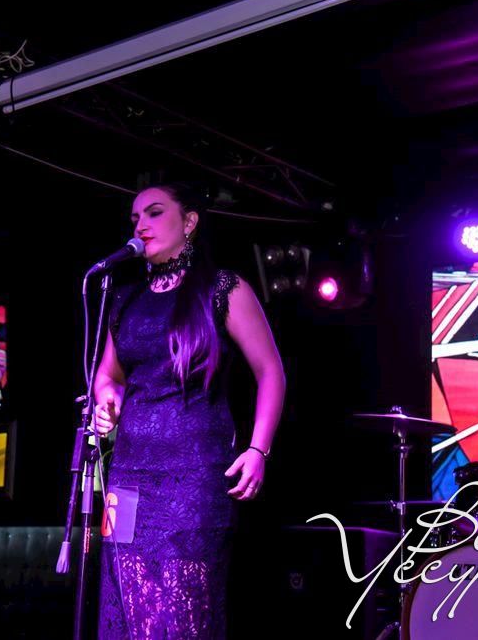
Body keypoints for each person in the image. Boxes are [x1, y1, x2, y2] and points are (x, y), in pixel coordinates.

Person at [92, 182, 286, 639]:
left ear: (189, 222)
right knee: (122, 605)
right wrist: (107, 399)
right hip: (127, 477)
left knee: (180, 613)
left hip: (193, 477)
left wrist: (258, 449)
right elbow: (108, 376)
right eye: (135, 217)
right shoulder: (125, 299)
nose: (141, 224)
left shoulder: (222, 289)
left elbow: (271, 371)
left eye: (155, 212)